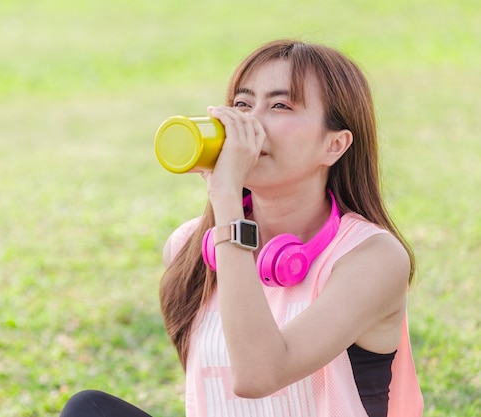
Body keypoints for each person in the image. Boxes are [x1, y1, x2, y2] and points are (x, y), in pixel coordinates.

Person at [59, 39, 423, 417]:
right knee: (89, 409)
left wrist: (227, 199)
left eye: (280, 105)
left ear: (334, 145)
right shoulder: (189, 248)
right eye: (243, 104)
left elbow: (258, 376)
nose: (249, 123)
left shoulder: (372, 258)